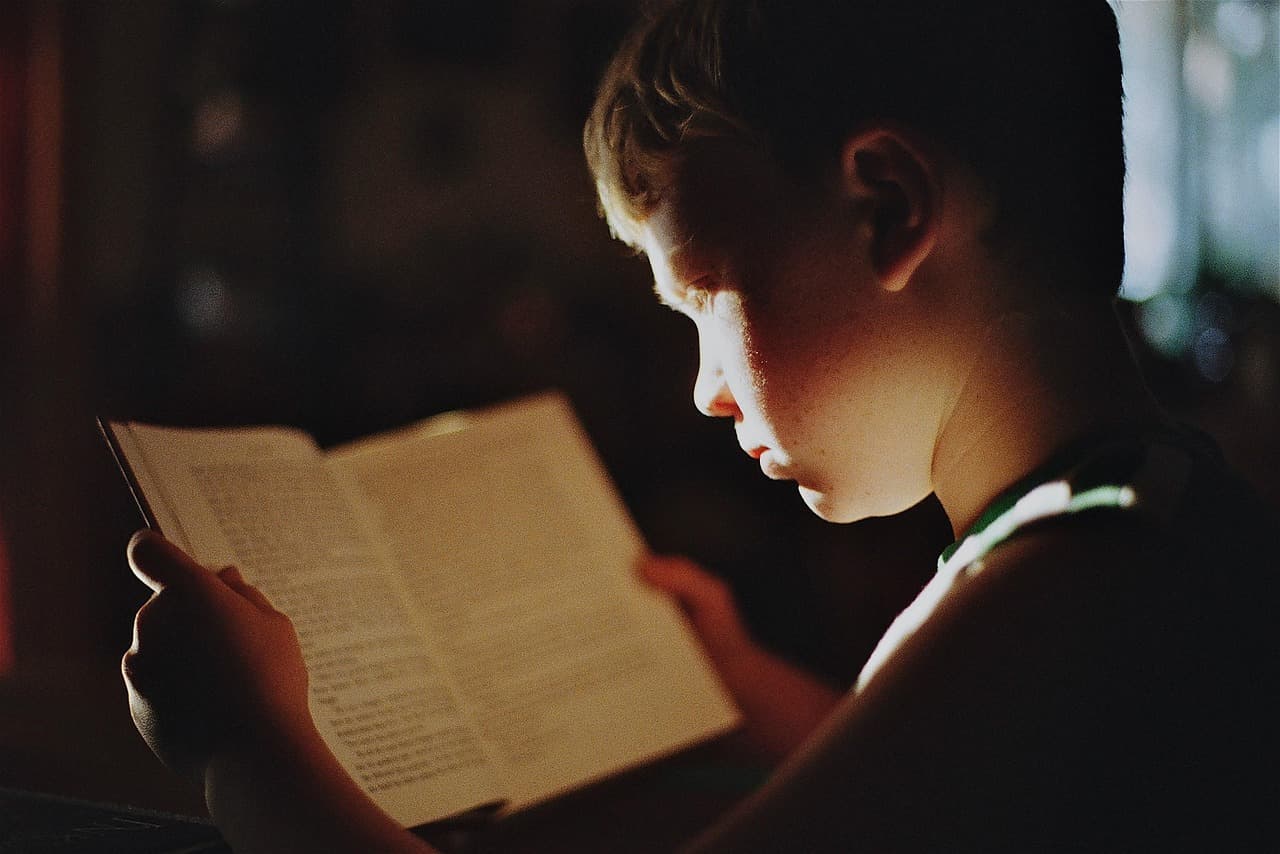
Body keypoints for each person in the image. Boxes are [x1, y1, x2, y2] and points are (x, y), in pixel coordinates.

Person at [123, 1, 1278, 851]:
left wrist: (251, 750)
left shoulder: (1063, 595)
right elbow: (960, 792)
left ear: (886, 208)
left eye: (708, 298)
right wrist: (743, 681)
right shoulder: (1144, 512)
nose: (703, 389)